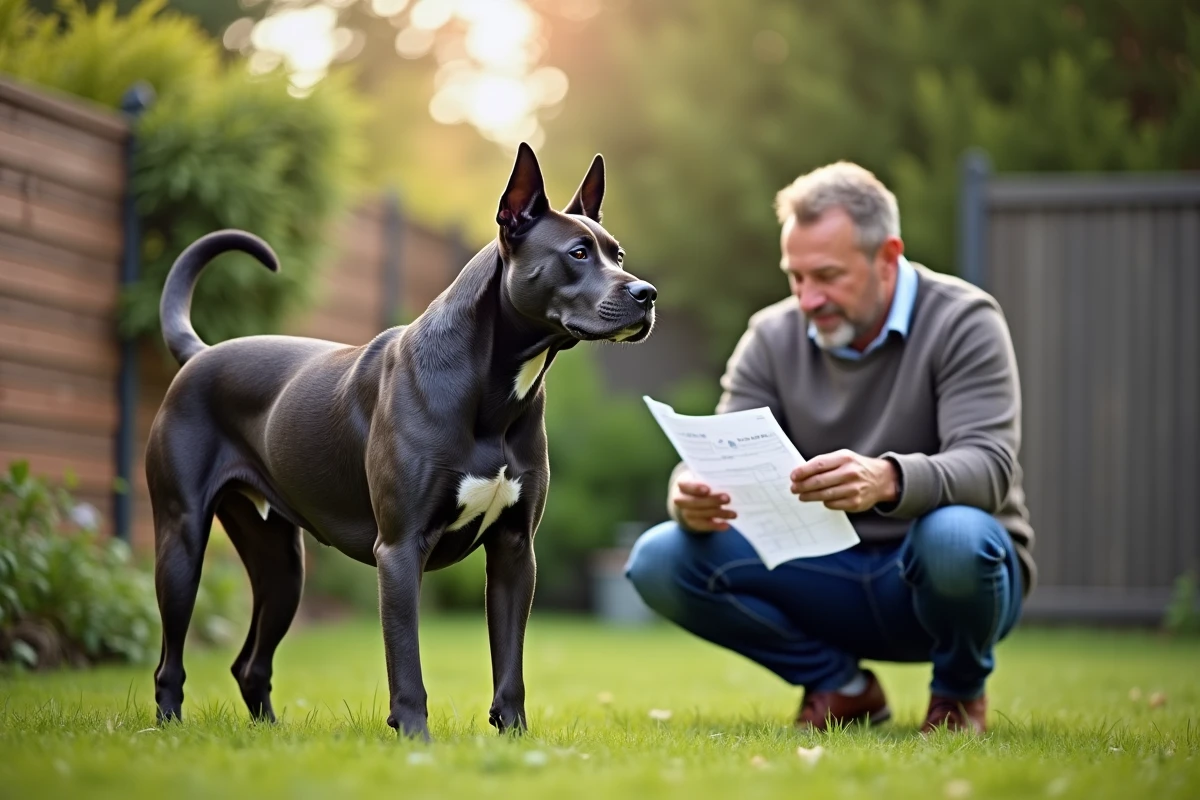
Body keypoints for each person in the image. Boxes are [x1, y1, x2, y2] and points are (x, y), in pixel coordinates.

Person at [624, 161, 1035, 735]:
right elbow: (714, 457)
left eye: (828, 276)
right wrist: (687, 496)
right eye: (795, 277)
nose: (808, 298)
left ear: (888, 257)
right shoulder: (770, 335)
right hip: (820, 570)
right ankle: (841, 687)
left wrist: (888, 479)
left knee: (956, 537)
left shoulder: (964, 320)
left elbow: (989, 468)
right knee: (660, 558)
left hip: (941, 577)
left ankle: (959, 695)